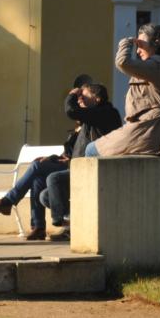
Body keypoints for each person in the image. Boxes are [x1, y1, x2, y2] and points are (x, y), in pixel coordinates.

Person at [85, 23, 160, 157]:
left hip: (152, 132)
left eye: (140, 45)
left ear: (157, 43)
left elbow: (123, 62)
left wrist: (126, 42)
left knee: (91, 149)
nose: (138, 51)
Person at [40, 83, 122, 241]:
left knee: (53, 178)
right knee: (45, 195)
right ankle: (73, 223)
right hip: (80, 167)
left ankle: (63, 223)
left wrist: (71, 94)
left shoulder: (105, 112)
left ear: (97, 99)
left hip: (95, 169)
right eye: (79, 97)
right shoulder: (93, 116)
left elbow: (72, 111)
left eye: (84, 96)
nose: (80, 99)